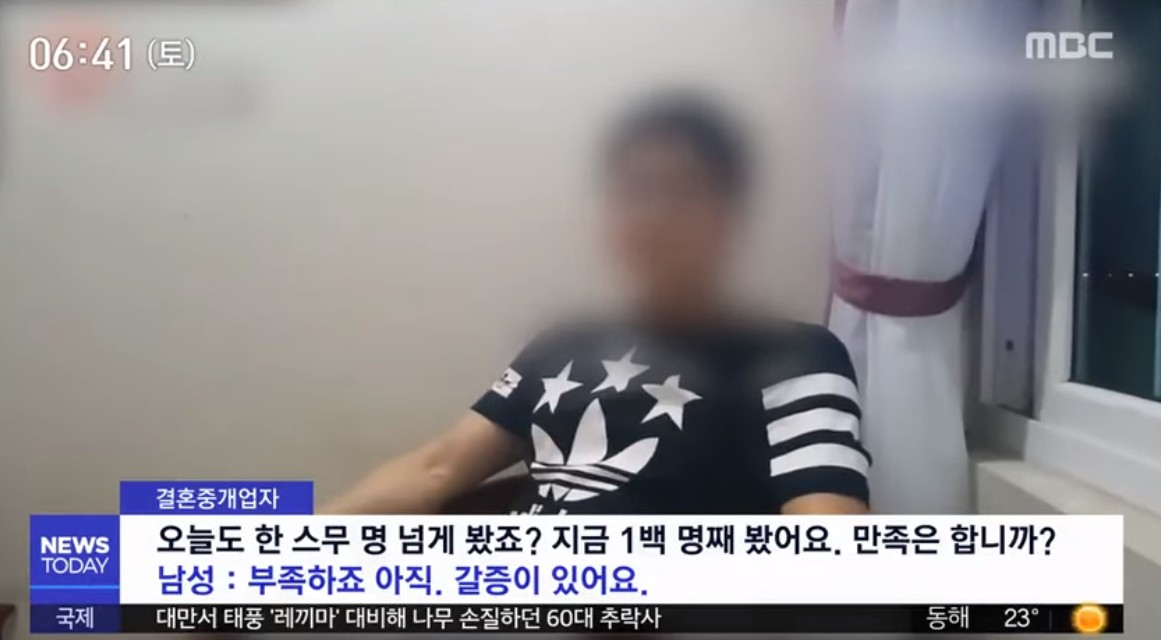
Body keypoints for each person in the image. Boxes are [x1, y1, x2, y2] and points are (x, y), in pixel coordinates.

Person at [326, 93, 870, 516]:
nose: (653, 217)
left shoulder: (794, 356)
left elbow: (827, 532)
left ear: (731, 214)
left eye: (681, 191)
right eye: (634, 191)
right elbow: (436, 467)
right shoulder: (562, 343)